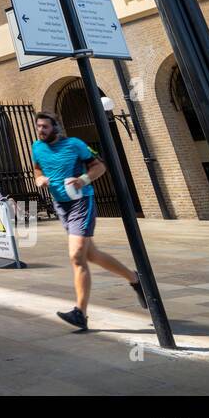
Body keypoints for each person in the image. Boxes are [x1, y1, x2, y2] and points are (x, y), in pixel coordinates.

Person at [31, 111, 147, 331]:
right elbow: (37, 168)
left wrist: (82, 180)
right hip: (60, 205)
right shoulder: (36, 147)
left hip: (81, 202)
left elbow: (99, 167)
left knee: (76, 256)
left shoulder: (75, 144)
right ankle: (135, 279)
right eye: (38, 127)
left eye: (45, 126)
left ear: (56, 127)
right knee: (91, 254)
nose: (41, 130)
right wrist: (39, 179)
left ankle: (80, 313)